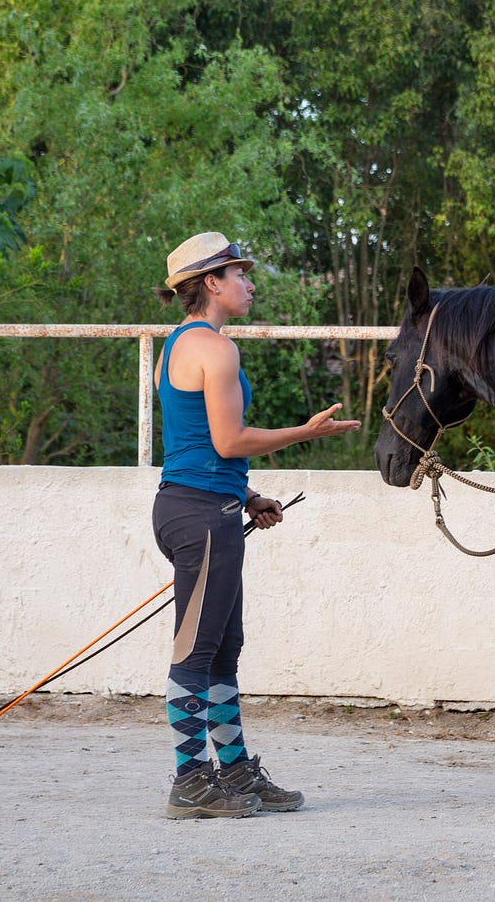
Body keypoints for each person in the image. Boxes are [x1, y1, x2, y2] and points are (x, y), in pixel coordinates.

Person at [151, 231, 361, 819]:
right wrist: (305, 432)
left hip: (204, 505)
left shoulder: (183, 344)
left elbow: (200, 447)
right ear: (211, 283)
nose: (249, 283)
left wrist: (247, 494)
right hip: (200, 517)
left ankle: (235, 771)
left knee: (222, 651)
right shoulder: (215, 349)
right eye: (239, 274)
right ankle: (191, 781)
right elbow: (229, 439)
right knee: (196, 651)